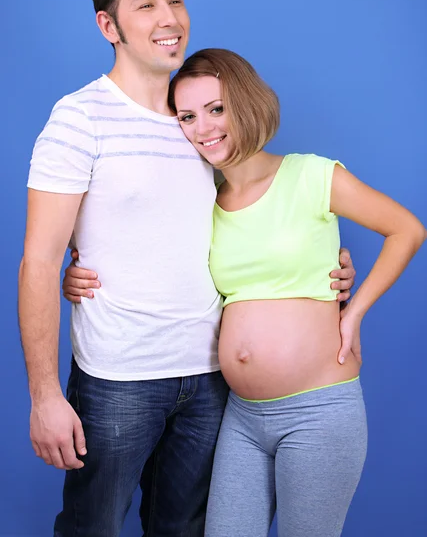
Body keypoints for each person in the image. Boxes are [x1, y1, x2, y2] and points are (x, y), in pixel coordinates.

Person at [18, 0, 356, 537]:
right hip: (117, 377)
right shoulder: (79, 118)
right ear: (109, 26)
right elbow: (40, 260)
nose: (168, 16)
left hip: (209, 378)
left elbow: (255, 211)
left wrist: (325, 259)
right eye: (145, 5)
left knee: (182, 530)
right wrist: (45, 394)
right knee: (91, 527)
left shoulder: (199, 119)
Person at [64, 48, 426, 537]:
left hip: (317, 411)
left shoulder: (312, 175)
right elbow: (139, 244)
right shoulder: (202, 199)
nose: (203, 127)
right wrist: (78, 270)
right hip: (240, 417)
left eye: (216, 109)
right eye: (187, 116)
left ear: (245, 102)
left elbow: (407, 229)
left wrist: (355, 310)